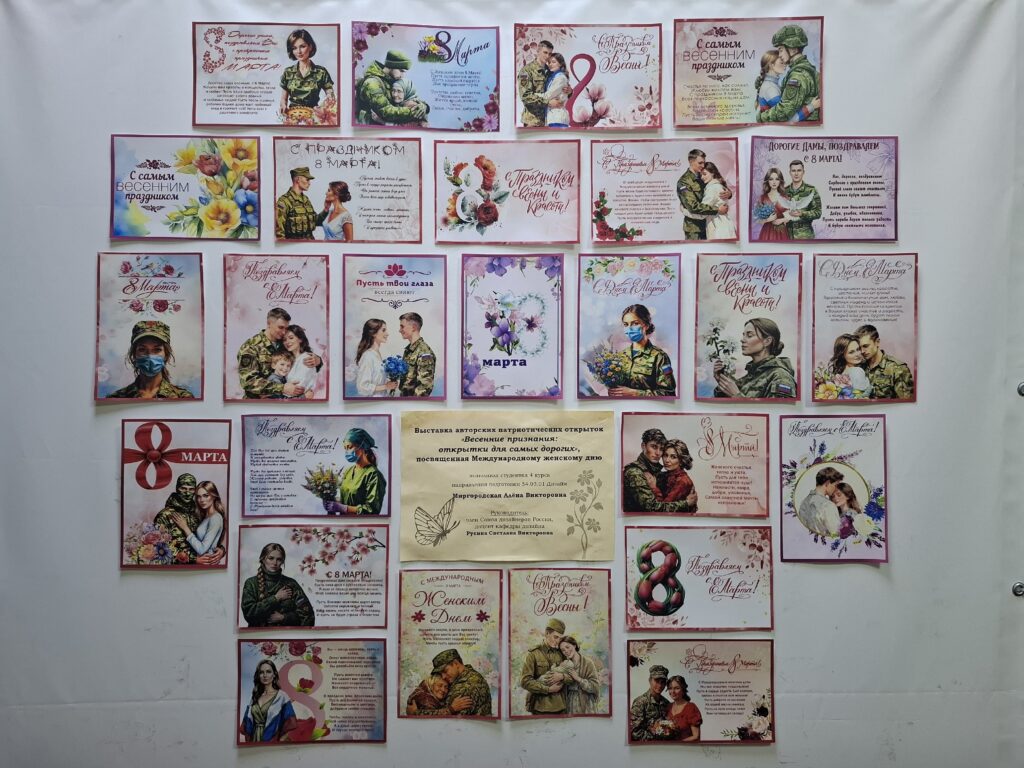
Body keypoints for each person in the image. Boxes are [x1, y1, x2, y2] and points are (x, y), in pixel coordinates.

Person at [237, 308, 321, 399]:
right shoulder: (251, 347)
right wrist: (281, 388)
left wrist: (318, 360)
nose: (284, 332)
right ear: (269, 323)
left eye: (286, 328)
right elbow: (248, 381)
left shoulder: (284, 342)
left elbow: (299, 356)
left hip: (284, 401)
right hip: (257, 403)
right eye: (280, 327)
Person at [107, 320, 195, 399]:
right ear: (134, 355)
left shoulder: (183, 397)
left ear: (166, 355)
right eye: (142, 349)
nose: (149, 356)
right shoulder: (116, 398)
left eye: (157, 350)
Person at [713, 318, 796, 399]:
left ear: (767, 341)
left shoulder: (780, 377)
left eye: (749, 335)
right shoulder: (751, 375)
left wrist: (736, 395)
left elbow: (778, 408)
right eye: (743, 335)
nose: (742, 340)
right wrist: (722, 382)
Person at [153, 473, 224, 566]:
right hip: (177, 570)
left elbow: (206, 539)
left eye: (191, 489)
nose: (187, 493)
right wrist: (192, 559)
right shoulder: (165, 515)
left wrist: (221, 549)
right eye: (183, 488)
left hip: (202, 568)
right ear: (177, 489)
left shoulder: (199, 513)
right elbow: (158, 547)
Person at [623, 428, 698, 514]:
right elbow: (653, 508)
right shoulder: (635, 472)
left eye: (661, 449)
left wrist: (654, 488)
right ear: (643, 446)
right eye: (654, 447)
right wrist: (686, 503)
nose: (658, 453)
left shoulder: (664, 475)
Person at [757, 24, 821, 124]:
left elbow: (783, 112)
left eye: (781, 50)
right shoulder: (811, 71)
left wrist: (761, 117)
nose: (779, 55)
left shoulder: (797, 76)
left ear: (793, 49)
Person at [240, 543, 315, 627]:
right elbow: (248, 614)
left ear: (282, 562)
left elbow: (308, 616)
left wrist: (284, 618)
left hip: (286, 634)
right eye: (271, 558)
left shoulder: (291, 584)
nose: (275, 563)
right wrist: (276, 598)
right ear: (263, 559)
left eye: (279, 559)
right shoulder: (251, 583)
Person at [609, 304, 676, 397]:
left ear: (646, 325)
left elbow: (669, 393)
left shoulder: (660, 357)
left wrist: (635, 393)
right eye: (626, 324)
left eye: (635, 323)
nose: (629, 328)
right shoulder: (620, 356)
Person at [322, 428, 387, 516]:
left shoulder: (374, 475)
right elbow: (349, 498)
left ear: (362, 446)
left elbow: (372, 510)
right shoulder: (348, 471)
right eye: (345, 448)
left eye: (349, 447)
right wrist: (333, 502)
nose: (346, 451)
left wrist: (344, 508)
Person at [355, 50, 430, 125]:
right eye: (401, 71)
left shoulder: (390, 79)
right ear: (391, 66)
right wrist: (415, 111)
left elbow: (407, 98)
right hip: (370, 128)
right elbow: (386, 112)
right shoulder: (372, 83)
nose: (402, 75)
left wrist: (423, 106)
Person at [409, 649, 492, 716]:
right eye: (441, 673)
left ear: (456, 663)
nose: (443, 676)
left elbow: (449, 722)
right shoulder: (466, 677)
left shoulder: (466, 686)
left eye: (445, 671)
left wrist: (416, 713)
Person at [278, 29, 336, 122]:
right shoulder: (288, 72)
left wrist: (325, 107)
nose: (299, 51)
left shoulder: (321, 72)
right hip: (292, 118)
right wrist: (283, 106)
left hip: (314, 118)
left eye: (302, 46)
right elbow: (283, 99)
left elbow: (331, 97)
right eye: (294, 48)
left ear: (310, 47)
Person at [676, 149, 729, 241]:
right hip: (694, 229)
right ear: (691, 161)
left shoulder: (703, 175)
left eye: (704, 163)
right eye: (700, 163)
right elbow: (693, 207)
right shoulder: (684, 182)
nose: (703, 165)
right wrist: (717, 210)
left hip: (710, 225)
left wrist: (729, 193)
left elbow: (716, 185)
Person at [240, 660, 297, 743]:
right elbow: (246, 722)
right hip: (254, 740)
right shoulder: (254, 696)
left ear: (274, 674)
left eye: (268, 672)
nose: (265, 675)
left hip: (272, 740)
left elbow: (290, 722)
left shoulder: (282, 696)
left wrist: (280, 740)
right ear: (258, 675)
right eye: (261, 672)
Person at [520, 618, 567, 715]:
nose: (558, 641)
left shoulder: (562, 653)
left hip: (561, 706)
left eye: (560, 638)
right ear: (547, 633)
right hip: (540, 707)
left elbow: (572, 674)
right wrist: (548, 689)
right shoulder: (533, 654)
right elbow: (525, 681)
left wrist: (562, 676)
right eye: (555, 637)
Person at [856, 324, 915, 400]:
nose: (862, 351)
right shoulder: (859, 367)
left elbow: (905, 402)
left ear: (877, 342)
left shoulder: (897, 368)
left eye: (865, 346)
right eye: (859, 348)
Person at [519, 40, 569, 127]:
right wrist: (548, 102)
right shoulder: (526, 71)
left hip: (549, 119)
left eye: (550, 53)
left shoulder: (551, 70)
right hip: (533, 120)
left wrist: (569, 91)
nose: (547, 56)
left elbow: (559, 87)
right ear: (538, 51)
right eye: (545, 52)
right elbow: (525, 96)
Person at [169, 480, 225, 559]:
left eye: (206, 495)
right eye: (199, 496)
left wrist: (185, 527)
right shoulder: (205, 516)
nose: (201, 500)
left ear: (214, 496)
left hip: (207, 562)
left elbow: (201, 549)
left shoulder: (215, 518)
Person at [548, 637, 601, 715]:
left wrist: (578, 678)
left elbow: (595, 687)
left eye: (567, 647)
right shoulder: (564, 664)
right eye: (563, 650)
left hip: (586, 703)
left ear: (574, 645)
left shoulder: (588, 663)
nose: (566, 651)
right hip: (570, 702)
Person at [276, 166, 326, 240]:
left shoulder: (306, 200)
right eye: (307, 180)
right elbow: (279, 233)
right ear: (298, 179)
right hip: (294, 245)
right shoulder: (284, 201)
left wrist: (326, 209)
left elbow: (315, 221)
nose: (309, 183)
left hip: (310, 244)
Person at [355, 319, 398, 397]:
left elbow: (377, 379)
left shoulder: (378, 354)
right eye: (383, 330)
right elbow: (362, 387)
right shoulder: (368, 356)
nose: (387, 334)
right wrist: (386, 386)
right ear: (373, 333)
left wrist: (391, 382)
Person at [398, 312, 436, 397]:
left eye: (402, 326)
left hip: (412, 402)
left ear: (413, 327)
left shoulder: (424, 352)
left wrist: (412, 403)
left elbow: (424, 387)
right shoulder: (409, 350)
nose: (399, 330)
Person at [797, 466, 844, 536]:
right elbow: (835, 534)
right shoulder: (828, 505)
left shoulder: (804, 502)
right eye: (835, 485)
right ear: (827, 483)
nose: (836, 488)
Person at [629, 664, 671, 741]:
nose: (660, 685)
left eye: (663, 682)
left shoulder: (666, 703)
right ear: (650, 680)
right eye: (656, 681)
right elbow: (635, 732)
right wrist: (656, 738)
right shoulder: (640, 702)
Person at [783, 160, 821, 239]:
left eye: (799, 170)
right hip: (786, 235)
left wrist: (802, 214)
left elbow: (818, 212)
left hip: (805, 236)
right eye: (793, 171)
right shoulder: (784, 191)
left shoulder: (811, 190)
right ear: (790, 172)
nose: (796, 173)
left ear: (803, 172)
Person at [699, 162, 736, 240]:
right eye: (701, 175)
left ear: (712, 173)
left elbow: (702, 212)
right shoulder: (719, 185)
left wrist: (684, 209)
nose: (702, 177)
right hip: (725, 224)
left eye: (704, 174)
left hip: (718, 228)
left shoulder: (712, 188)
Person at [282, 324, 321, 399]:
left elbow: (297, 389)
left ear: (300, 339)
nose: (287, 342)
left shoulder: (306, 359)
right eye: (284, 340)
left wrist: (283, 389)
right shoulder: (290, 359)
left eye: (291, 338)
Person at [754, 167, 792, 242]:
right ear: (767, 181)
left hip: (782, 232)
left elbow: (791, 216)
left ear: (780, 181)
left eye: (777, 179)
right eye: (771, 179)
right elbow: (757, 220)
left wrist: (782, 220)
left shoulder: (785, 198)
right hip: (766, 233)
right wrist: (768, 219)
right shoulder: (762, 198)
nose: (774, 182)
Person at [829, 333, 872, 398]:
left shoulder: (840, 372)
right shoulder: (857, 371)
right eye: (851, 352)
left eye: (858, 349)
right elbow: (862, 397)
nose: (857, 354)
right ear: (842, 355)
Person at [655, 439, 696, 503]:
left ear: (681, 460)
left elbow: (665, 506)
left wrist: (654, 488)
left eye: (673, 457)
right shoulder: (663, 475)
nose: (667, 460)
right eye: (665, 455)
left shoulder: (683, 481)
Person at [665, 675, 702, 742]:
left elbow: (696, 736)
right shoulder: (668, 707)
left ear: (683, 689)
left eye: (677, 688)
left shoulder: (691, 707)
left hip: (687, 747)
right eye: (670, 688)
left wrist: (678, 744)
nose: (673, 691)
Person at [541, 52, 570, 127]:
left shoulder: (560, 78)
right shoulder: (552, 77)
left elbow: (548, 96)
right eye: (549, 62)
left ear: (560, 64)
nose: (550, 64)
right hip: (552, 116)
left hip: (557, 117)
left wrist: (532, 95)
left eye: (553, 62)